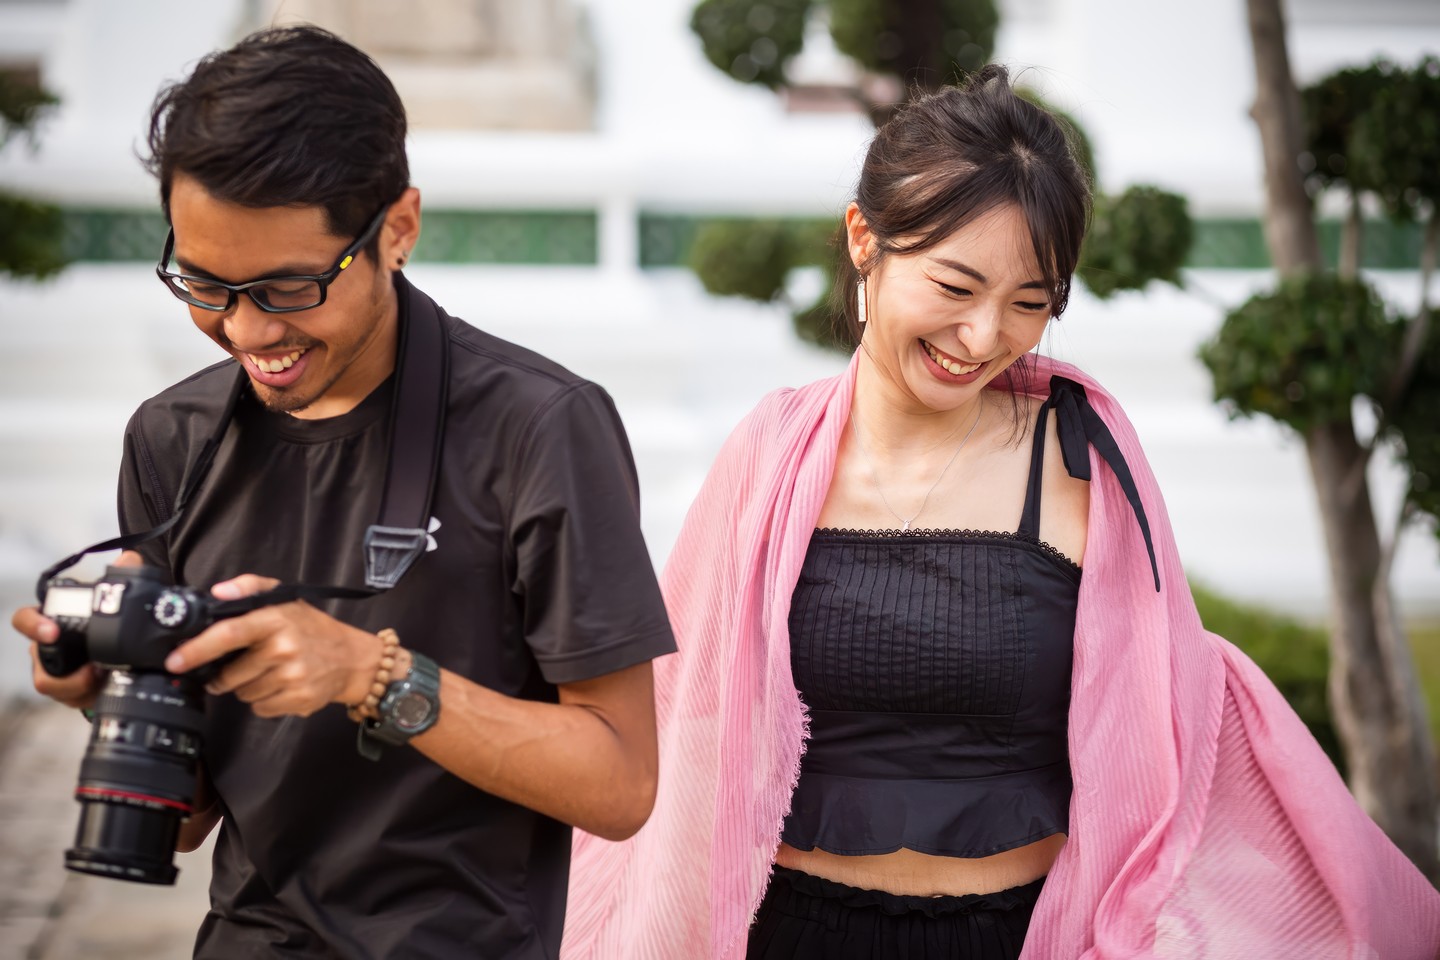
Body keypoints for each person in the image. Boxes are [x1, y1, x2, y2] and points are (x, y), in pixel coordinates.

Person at [562, 66, 1440, 959]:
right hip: (791, 930)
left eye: (1030, 304)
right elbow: (684, 719)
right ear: (865, 239)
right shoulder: (772, 452)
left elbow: (1167, 727)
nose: (984, 338)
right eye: (954, 288)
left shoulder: (1080, 456)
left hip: (1013, 935)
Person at [10, 24, 676, 960]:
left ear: (396, 228)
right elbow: (192, 816)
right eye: (203, 283)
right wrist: (104, 687)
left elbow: (620, 784)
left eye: (286, 288)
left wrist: (373, 676)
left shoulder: (539, 428)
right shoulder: (174, 437)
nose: (244, 331)